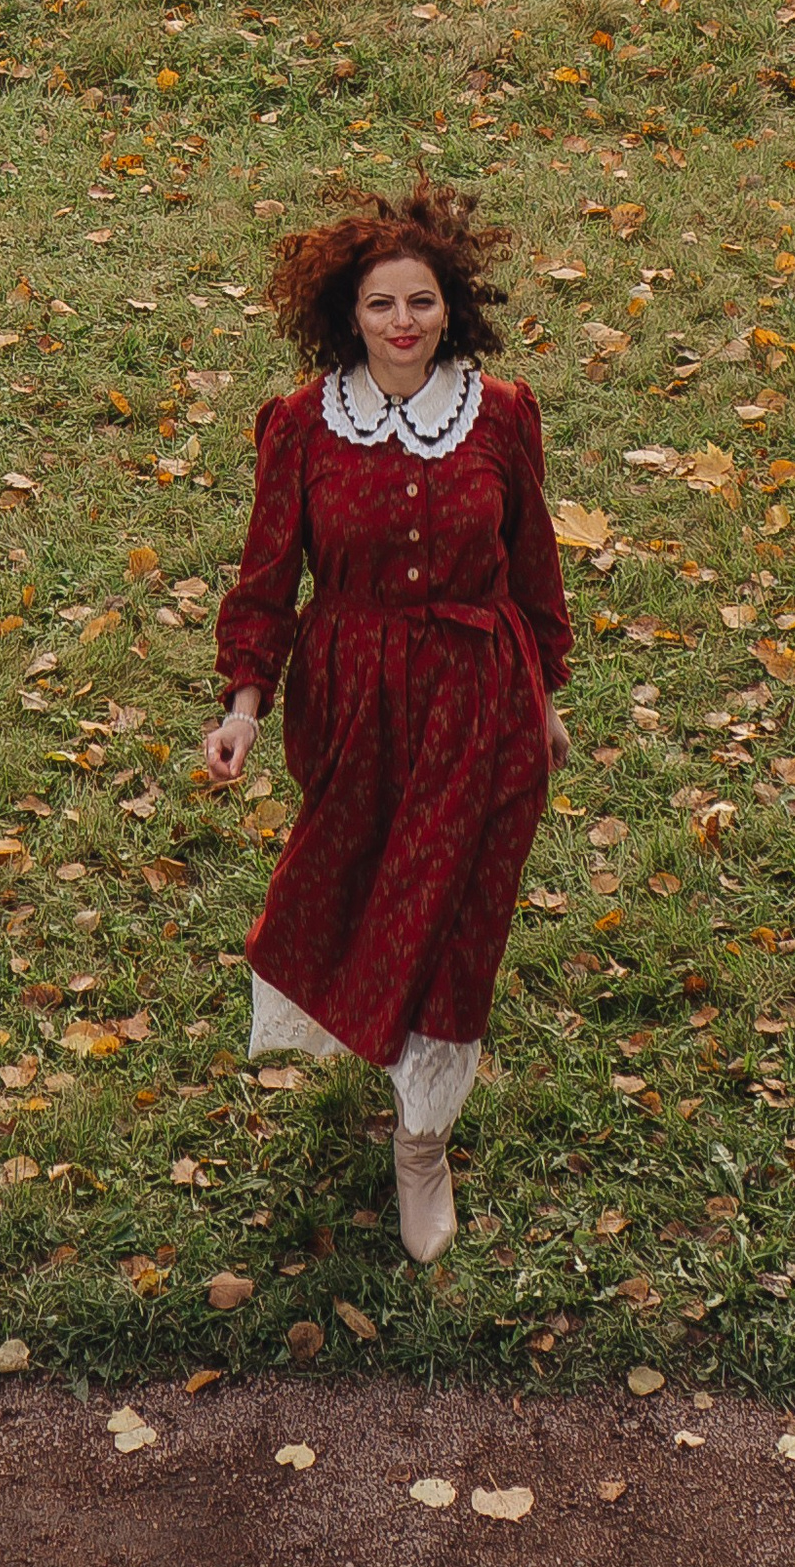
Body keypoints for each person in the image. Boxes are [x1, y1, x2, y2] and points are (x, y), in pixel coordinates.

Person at [203, 188, 574, 1266]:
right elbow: (266, 584)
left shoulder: (500, 413)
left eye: (421, 301)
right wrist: (241, 710)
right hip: (355, 709)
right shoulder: (301, 426)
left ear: (449, 308)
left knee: (457, 921)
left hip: (481, 701)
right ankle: (389, 1058)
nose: (403, 322)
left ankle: (423, 1146)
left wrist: (544, 702)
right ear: (347, 314)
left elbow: (535, 568)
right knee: (372, 893)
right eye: (380, 304)